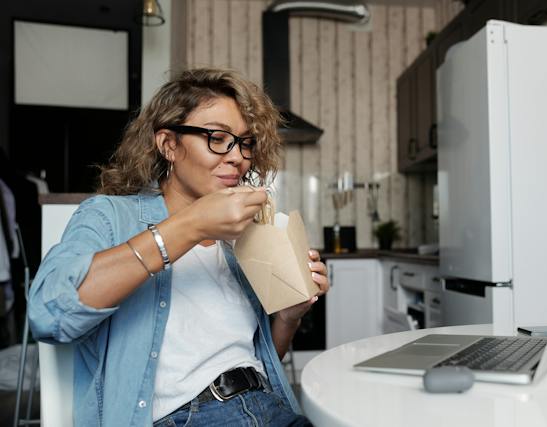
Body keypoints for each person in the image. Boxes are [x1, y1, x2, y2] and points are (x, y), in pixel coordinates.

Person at [27, 68, 329, 426]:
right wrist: (192, 224)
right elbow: (49, 315)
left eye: (245, 143)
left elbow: (257, 364)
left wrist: (287, 317)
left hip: (267, 409)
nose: (237, 157)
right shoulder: (110, 216)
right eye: (218, 137)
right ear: (169, 144)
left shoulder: (240, 243)